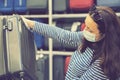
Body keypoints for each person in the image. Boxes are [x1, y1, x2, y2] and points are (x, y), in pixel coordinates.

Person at [21, 5, 120, 80]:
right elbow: (64, 35)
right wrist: (31, 24)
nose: (85, 31)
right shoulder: (89, 39)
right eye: (85, 25)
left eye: (90, 30)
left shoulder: (104, 63)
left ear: (104, 34)